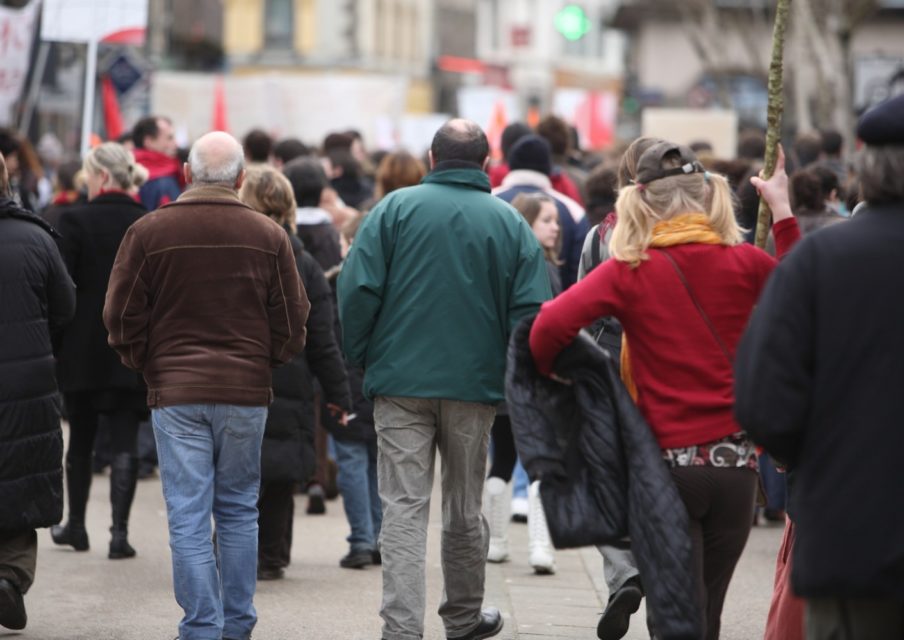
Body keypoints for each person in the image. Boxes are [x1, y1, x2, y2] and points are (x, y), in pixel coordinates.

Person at [528, 141, 800, 640]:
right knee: (707, 616)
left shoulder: (628, 269)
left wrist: (564, 383)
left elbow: (546, 328)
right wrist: (781, 210)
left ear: (642, 201)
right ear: (706, 196)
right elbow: (808, 297)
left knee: (675, 620)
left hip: (663, 474)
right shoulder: (745, 263)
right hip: (735, 472)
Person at [337, 119, 552, 640]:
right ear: (485, 165)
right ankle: (462, 617)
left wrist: (364, 357)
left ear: (432, 157)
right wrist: (513, 377)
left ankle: (402, 628)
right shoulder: (508, 223)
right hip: (474, 387)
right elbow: (532, 312)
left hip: (399, 382)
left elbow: (357, 291)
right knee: (463, 507)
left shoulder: (392, 210)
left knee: (404, 509)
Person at [103, 131, 310, 640]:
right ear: (241, 178)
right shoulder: (269, 235)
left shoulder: (149, 231)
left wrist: (148, 367)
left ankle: (201, 627)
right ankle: (236, 624)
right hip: (244, 391)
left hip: (176, 392)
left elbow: (119, 316)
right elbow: (292, 319)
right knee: (239, 508)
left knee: (189, 513)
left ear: (188, 175)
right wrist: (265, 362)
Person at [735, 93, 904, 640]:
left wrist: (807, 463)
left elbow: (762, 401)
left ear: (864, 172)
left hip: (847, 539)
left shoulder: (817, 262)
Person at [239, 165, 351, 580]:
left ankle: (230, 547)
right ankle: (271, 555)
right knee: (281, 473)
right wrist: (339, 394)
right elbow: (324, 338)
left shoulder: (233, 254)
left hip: (237, 375)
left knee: (236, 470)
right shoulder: (302, 262)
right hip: (290, 376)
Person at [50, 143, 149, 559]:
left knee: (82, 439)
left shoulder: (72, 220)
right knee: (125, 437)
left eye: (90, 177)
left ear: (103, 178)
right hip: (130, 345)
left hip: (81, 346)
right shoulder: (147, 221)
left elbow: (60, 289)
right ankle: (119, 535)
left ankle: (75, 525)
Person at [0, 152, 76, 631]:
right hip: (25, 382)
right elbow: (65, 306)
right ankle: (9, 575)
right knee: (21, 479)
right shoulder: (36, 236)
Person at [484, 191, 560, 575]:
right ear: (526, 222)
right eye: (546, 219)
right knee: (539, 459)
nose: (555, 227)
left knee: (503, 457)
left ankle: (496, 542)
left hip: (499, 376)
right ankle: (539, 545)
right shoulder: (542, 269)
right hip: (533, 378)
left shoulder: (501, 264)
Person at [494, 134, 589, 289]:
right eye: (547, 221)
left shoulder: (490, 200)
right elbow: (578, 276)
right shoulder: (573, 210)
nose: (556, 228)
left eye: (555, 221)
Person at [132, 115, 182, 210]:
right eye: (169, 138)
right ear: (149, 141)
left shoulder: (126, 171)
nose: (176, 143)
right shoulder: (164, 179)